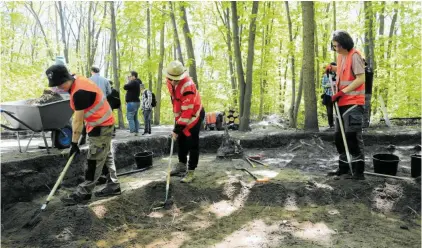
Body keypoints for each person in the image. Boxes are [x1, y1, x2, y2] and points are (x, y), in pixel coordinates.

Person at [45, 64, 121, 205]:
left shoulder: (80, 92)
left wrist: (74, 143)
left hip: (101, 125)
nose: (59, 88)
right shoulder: (76, 80)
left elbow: (78, 121)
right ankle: (114, 185)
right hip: (99, 123)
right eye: (56, 86)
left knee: (94, 159)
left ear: (67, 78)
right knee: (105, 156)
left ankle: (83, 193)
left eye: (60, 85)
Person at [326, 30, 366, 180]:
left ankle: (358, 171)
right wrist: (332, 68)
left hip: (353, 103)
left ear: (343, 45)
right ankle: (343, 168)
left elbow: (361, 78)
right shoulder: (340, 56)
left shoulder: (355, 55)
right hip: (341, 103)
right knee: (339, 137)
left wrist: (343, 92)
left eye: (336, 45)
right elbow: (344, 72)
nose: (334, 48)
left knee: (352, 137)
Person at [163, 61, 205, 183]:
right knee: (181, 140)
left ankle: (191, 171)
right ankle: (181, 165)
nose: (174, 82)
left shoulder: (188, 86)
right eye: (172, 79)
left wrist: (177, 129)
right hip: (182, 114)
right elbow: (175, 99)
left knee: (192, 142)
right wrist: (177, 122)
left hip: (194, 114)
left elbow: (188, 112)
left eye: (177, 79)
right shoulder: (169, 80)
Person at [124, 71, 142, 135]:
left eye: (130, 76)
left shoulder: (134, 82)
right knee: (135, 118)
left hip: (132, 102)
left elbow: (125, 87)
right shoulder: (138, 82)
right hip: (136, 102)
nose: (129, 77)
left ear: (134, 76)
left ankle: (132, 132)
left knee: (130, 117)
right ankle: (136, 131)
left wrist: (128, 81)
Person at [321, 62, 337, 129]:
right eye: (332, 67)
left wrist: (335, 84)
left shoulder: (339, 75)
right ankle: (331, 125)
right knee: (329, 112)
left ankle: (338, 124)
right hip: (328, 95)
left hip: (337, 95)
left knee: (338, 111)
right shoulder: (325, 75)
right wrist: (328, 85)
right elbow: (323, 85)